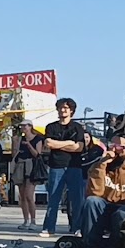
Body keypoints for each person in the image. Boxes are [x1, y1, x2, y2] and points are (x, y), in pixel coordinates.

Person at [81, 134, 125, 248]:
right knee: (92, 201)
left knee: (122, 214)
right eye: (112, 145)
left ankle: (117, 247)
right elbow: (95, 192)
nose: (114, 149)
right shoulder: (101, 165)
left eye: (119, 146)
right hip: (106, 204)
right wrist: (102, 164)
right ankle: (90, 245)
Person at [40, 97, 86, 238]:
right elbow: (49, 143)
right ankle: (49, 228)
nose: (63, 110)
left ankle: (77, 228)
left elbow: (79, 147)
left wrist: (58, 144)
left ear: (71, 110)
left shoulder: (77, 127)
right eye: (60, 107)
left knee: (77, 200)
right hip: (56, 166)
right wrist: (69, 143)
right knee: (53, 198)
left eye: (66, 107)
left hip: (74, 166)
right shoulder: (51, 127)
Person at [11, 119, 44, 230]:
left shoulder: (37, 139)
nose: (23, 128)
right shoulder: (19, 139)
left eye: (25, 126)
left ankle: (33, 220)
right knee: (22, 196)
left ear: (30, 126)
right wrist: (15, 143)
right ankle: (26, 220)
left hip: (31, 167)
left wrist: (29, 145)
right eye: (22, 126)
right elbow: (14, 154)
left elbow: (37, 154)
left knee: (29, 195)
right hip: (20, 166)